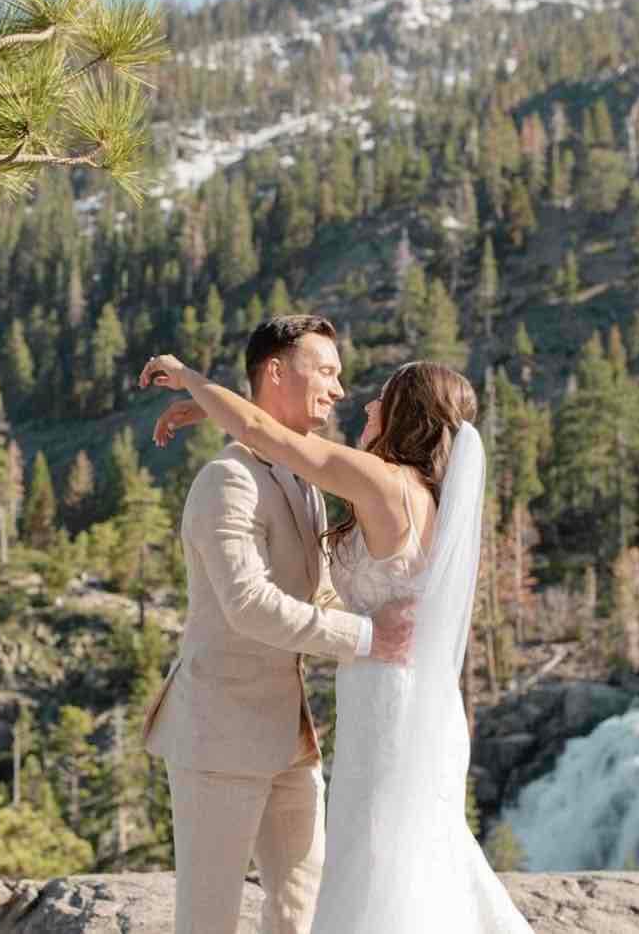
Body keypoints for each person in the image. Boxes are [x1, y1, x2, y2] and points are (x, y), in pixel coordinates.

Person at [140, 350, 534, 933]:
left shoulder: (382, 481)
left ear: (408, 416)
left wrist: (194, 383)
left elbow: (259, 432)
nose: (367, 403)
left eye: (385, 398)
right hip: (412, 695)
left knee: (375, 854)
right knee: (408, 849)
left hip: (388, 698)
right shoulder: (428, 495)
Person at [139, 315, 416, 934]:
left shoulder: (304, 483)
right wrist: (372, 639)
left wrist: (392, 631)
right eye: (326, 371)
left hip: (291, 741)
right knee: (208, 919)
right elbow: (249, 604)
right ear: (275, 373)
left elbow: (316, 592)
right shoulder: (225, 481)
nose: (339, 389)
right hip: (217, 736)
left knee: (301, 910)